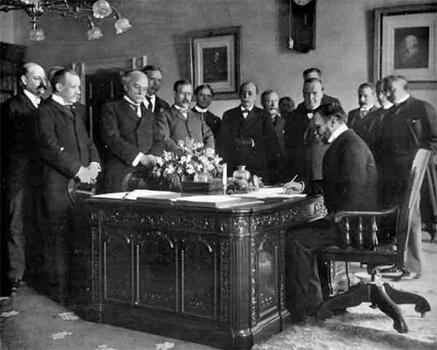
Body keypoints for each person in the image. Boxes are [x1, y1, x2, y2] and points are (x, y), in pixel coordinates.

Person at [284, 103, 378, 321]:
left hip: (355, 227)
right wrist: (305, 187)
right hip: (355, 222)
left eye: (318, 126)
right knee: (302, 231)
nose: (316, 132)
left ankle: (303, 308)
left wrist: (332, 217)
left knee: (295, 239)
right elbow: (334, 184)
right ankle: (316, 298)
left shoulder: (351, 146)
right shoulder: (345, 143)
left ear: (333, 121)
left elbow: (354, 194)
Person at [36, 69, 101, 303]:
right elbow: (49, 148)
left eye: (79, 87)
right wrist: (79, 170)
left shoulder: (75, 111)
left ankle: (75, 287)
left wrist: (94, 164)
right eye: (74, 86)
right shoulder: (44, 112)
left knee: (77, 234)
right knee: (57, 238)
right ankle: (58, 291)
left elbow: (88, 142)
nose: (79, 91)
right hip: (57, 186)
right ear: (59, 87)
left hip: (79, 187)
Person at [375, 75, 437, 280]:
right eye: (386, 90)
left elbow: (434, 140)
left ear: (404, 87)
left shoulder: (421, 107)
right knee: (399, 218)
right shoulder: (389, 113)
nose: (387, 93)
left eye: (391, 89)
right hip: (392, 172)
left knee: (411, 217)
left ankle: (413, 266)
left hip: (412, 171)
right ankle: (400, 263)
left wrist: (420, 160)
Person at [1, 63, 47, 296]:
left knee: (35, 221)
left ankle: (34, 271)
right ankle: (15, 274)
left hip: (40, 175)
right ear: (23, 80)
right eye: (37, 78)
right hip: (18, 174)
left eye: (44, 78)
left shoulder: (44, 106)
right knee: (16, 223)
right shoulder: (12, 107)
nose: (42, 83)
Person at [99, 70, 163, 192]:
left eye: (144, 89)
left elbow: (158, 139)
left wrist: (153, 157)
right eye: (136, 87)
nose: (141, 92)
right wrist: (141, 158)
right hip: (120, 173)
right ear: (125, 86)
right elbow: (112, 139)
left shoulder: (148, 113)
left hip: (147, 173)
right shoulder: (111, 108)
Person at [219, 82, 281, 181]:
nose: (246, 96)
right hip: (234, 166)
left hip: (257, 167)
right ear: (239, 95)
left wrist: (252, 142)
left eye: (250, 93)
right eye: (243, 93)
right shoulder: (228, 115)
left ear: (256, 97)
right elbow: (222, 142)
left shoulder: (264, 115)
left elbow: (271, 141)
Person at [284, 78, 329, 191]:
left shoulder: (330, 115)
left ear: (322, 92)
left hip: (323, 171)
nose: (310, 97)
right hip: (300, 171)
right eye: (307, 93)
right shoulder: (292, 117)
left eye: (314, 93)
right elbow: (289, 147)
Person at [156, 79, 214, 152]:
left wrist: (205, 154)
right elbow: (164, 138)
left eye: (189, 94)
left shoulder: (198, 116)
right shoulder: (164, 116)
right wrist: (182, 155)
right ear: (174, 94)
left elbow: (209, 136)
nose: (186, 97)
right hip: (177, 160)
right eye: (182, 93)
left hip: (199, 161)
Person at [261, 89, 286, 183]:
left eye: (275, 101)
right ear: (262, 103)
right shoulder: (257, 121)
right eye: (269, 101)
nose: (273, 105)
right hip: (264, 165)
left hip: (281, 166)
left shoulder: (284, 122)